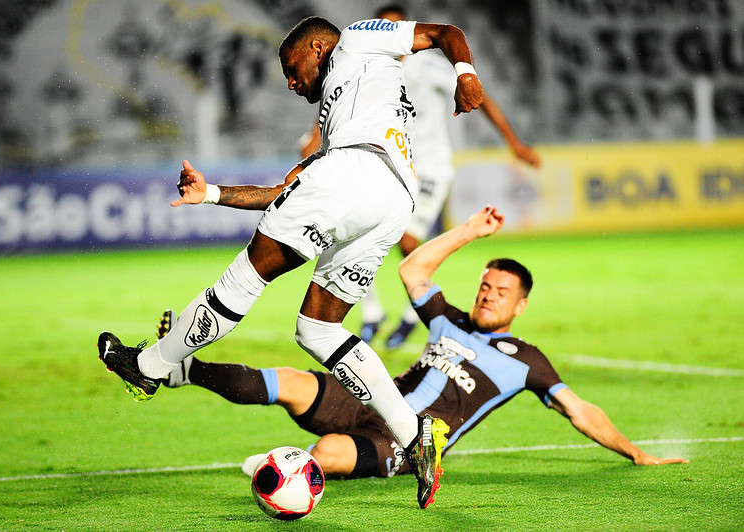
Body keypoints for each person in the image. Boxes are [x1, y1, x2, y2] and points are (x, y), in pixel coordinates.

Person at [97, 15, 485, 509]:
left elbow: (442, 33)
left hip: (358, 172)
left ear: (319, 48)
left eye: (292, 65)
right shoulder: (340, 119)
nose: (289, 80)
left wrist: (466, 73)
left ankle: (149, 366)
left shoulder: (356, 39)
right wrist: (211, 193)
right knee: (318, 330)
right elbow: (286, 193)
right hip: (391, 197)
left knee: (247, 274)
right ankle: (415, 436)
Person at [159, 206, 688, 482]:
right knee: (289, 382)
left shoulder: (526, 361)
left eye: (501, 292)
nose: (488, 296)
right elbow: (412, 269)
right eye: (485, 285)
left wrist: (637, 453)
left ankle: (288, 472)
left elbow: (580, 411)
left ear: (520, 306)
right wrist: (468, 232)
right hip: (371, 395)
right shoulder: (448, 320)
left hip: (412, 445)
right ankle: (185, 370)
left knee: (329, 454)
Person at [301, 4, 541, 350]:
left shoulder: (428, 66)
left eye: (396, 28)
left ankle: (414, 316)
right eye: (382, 28)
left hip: (430, 166)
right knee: (350, 229)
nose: (390, 36)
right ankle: (372, 314)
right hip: (390, 163)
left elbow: (482, 98)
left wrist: (513, 141)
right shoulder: (368, 66)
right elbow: (341, 99)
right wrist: (315, 133)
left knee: (408, 242)